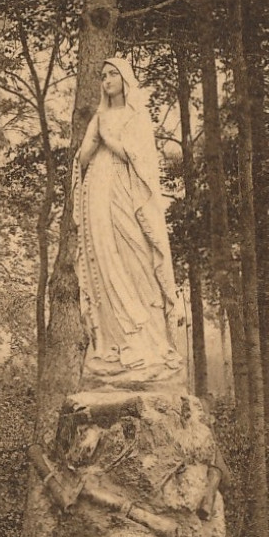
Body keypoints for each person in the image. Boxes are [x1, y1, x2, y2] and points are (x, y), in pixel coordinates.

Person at [72, 56, 186, 391]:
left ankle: (149, 344)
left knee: (136, 262)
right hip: (98, 195)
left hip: (127, 195)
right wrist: (95, 137)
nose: (106, 80)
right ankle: (111, 346)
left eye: (113, 75)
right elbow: (82, 157)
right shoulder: (99, 117)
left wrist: (108, 138)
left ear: (125, 80)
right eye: (103, 75)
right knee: (102, 263)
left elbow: (139, 158)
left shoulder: (137, 117)